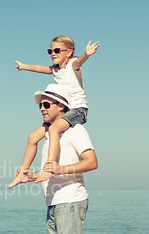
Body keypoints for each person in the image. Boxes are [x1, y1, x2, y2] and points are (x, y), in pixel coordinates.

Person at [8, 84, 98, 234]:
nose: (41, 109)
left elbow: (91, 162)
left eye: (46, 104)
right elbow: (49, 172)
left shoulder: (75, 131)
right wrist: (32, 177)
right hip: (53, 202)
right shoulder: (50, 136)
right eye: (40, 105)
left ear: (62, 106)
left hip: (71, 199)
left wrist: (60, 169)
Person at [9, 35, 100, 187]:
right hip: (65, 111)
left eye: (57, 50)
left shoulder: (72, 65)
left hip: (78, 110)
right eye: (50, 50)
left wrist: (86, 55)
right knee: (33, 137)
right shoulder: (56, 70)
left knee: (54, 129)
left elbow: (79, 61)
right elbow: (39, 67)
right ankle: (22, 173)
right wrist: (24, 66)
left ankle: (50, 167)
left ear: (69, 52)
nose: (52, 53)